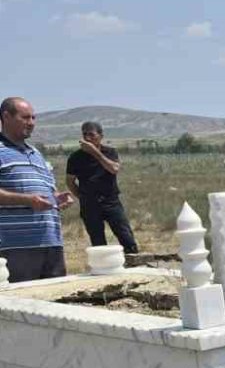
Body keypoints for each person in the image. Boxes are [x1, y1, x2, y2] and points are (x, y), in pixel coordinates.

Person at [0, 97, 75, 283]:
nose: (31, 123)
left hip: (51, 243)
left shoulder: (36, 154)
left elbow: (49, 190)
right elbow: (29, 197)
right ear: (6, 117)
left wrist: (58, 198)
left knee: (55, 297)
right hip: (15, 246)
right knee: (21, 299)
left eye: (33, 118)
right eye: (25, 117)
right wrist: (27, 200)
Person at [65, 121, 139, 254]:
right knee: (98, 243)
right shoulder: (75, 157)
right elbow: (70, 181)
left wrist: (95, 153)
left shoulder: (109, 152)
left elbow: (114, 169)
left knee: (126, 237)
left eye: (91, 135)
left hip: (111, 202)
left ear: (101, 136)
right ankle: (104, 265)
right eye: (85, 135)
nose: (88, 138)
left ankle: (133, 261)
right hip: (89, 204)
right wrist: (82, 197)